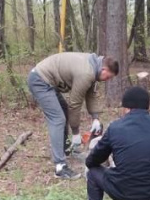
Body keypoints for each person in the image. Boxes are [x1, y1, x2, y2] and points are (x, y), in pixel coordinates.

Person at [27, 51, 119, 179]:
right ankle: (60, 167)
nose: (107, 80)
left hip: (48, 81)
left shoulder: (93, 67)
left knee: (63, 110)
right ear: (103, 69)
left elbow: (90, 94)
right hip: (40, 80)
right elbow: (75, 104)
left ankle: (66, 150)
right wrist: (76, 133)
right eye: (108, 77)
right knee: (58, 119)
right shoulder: (86, 73)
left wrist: (95, 118)